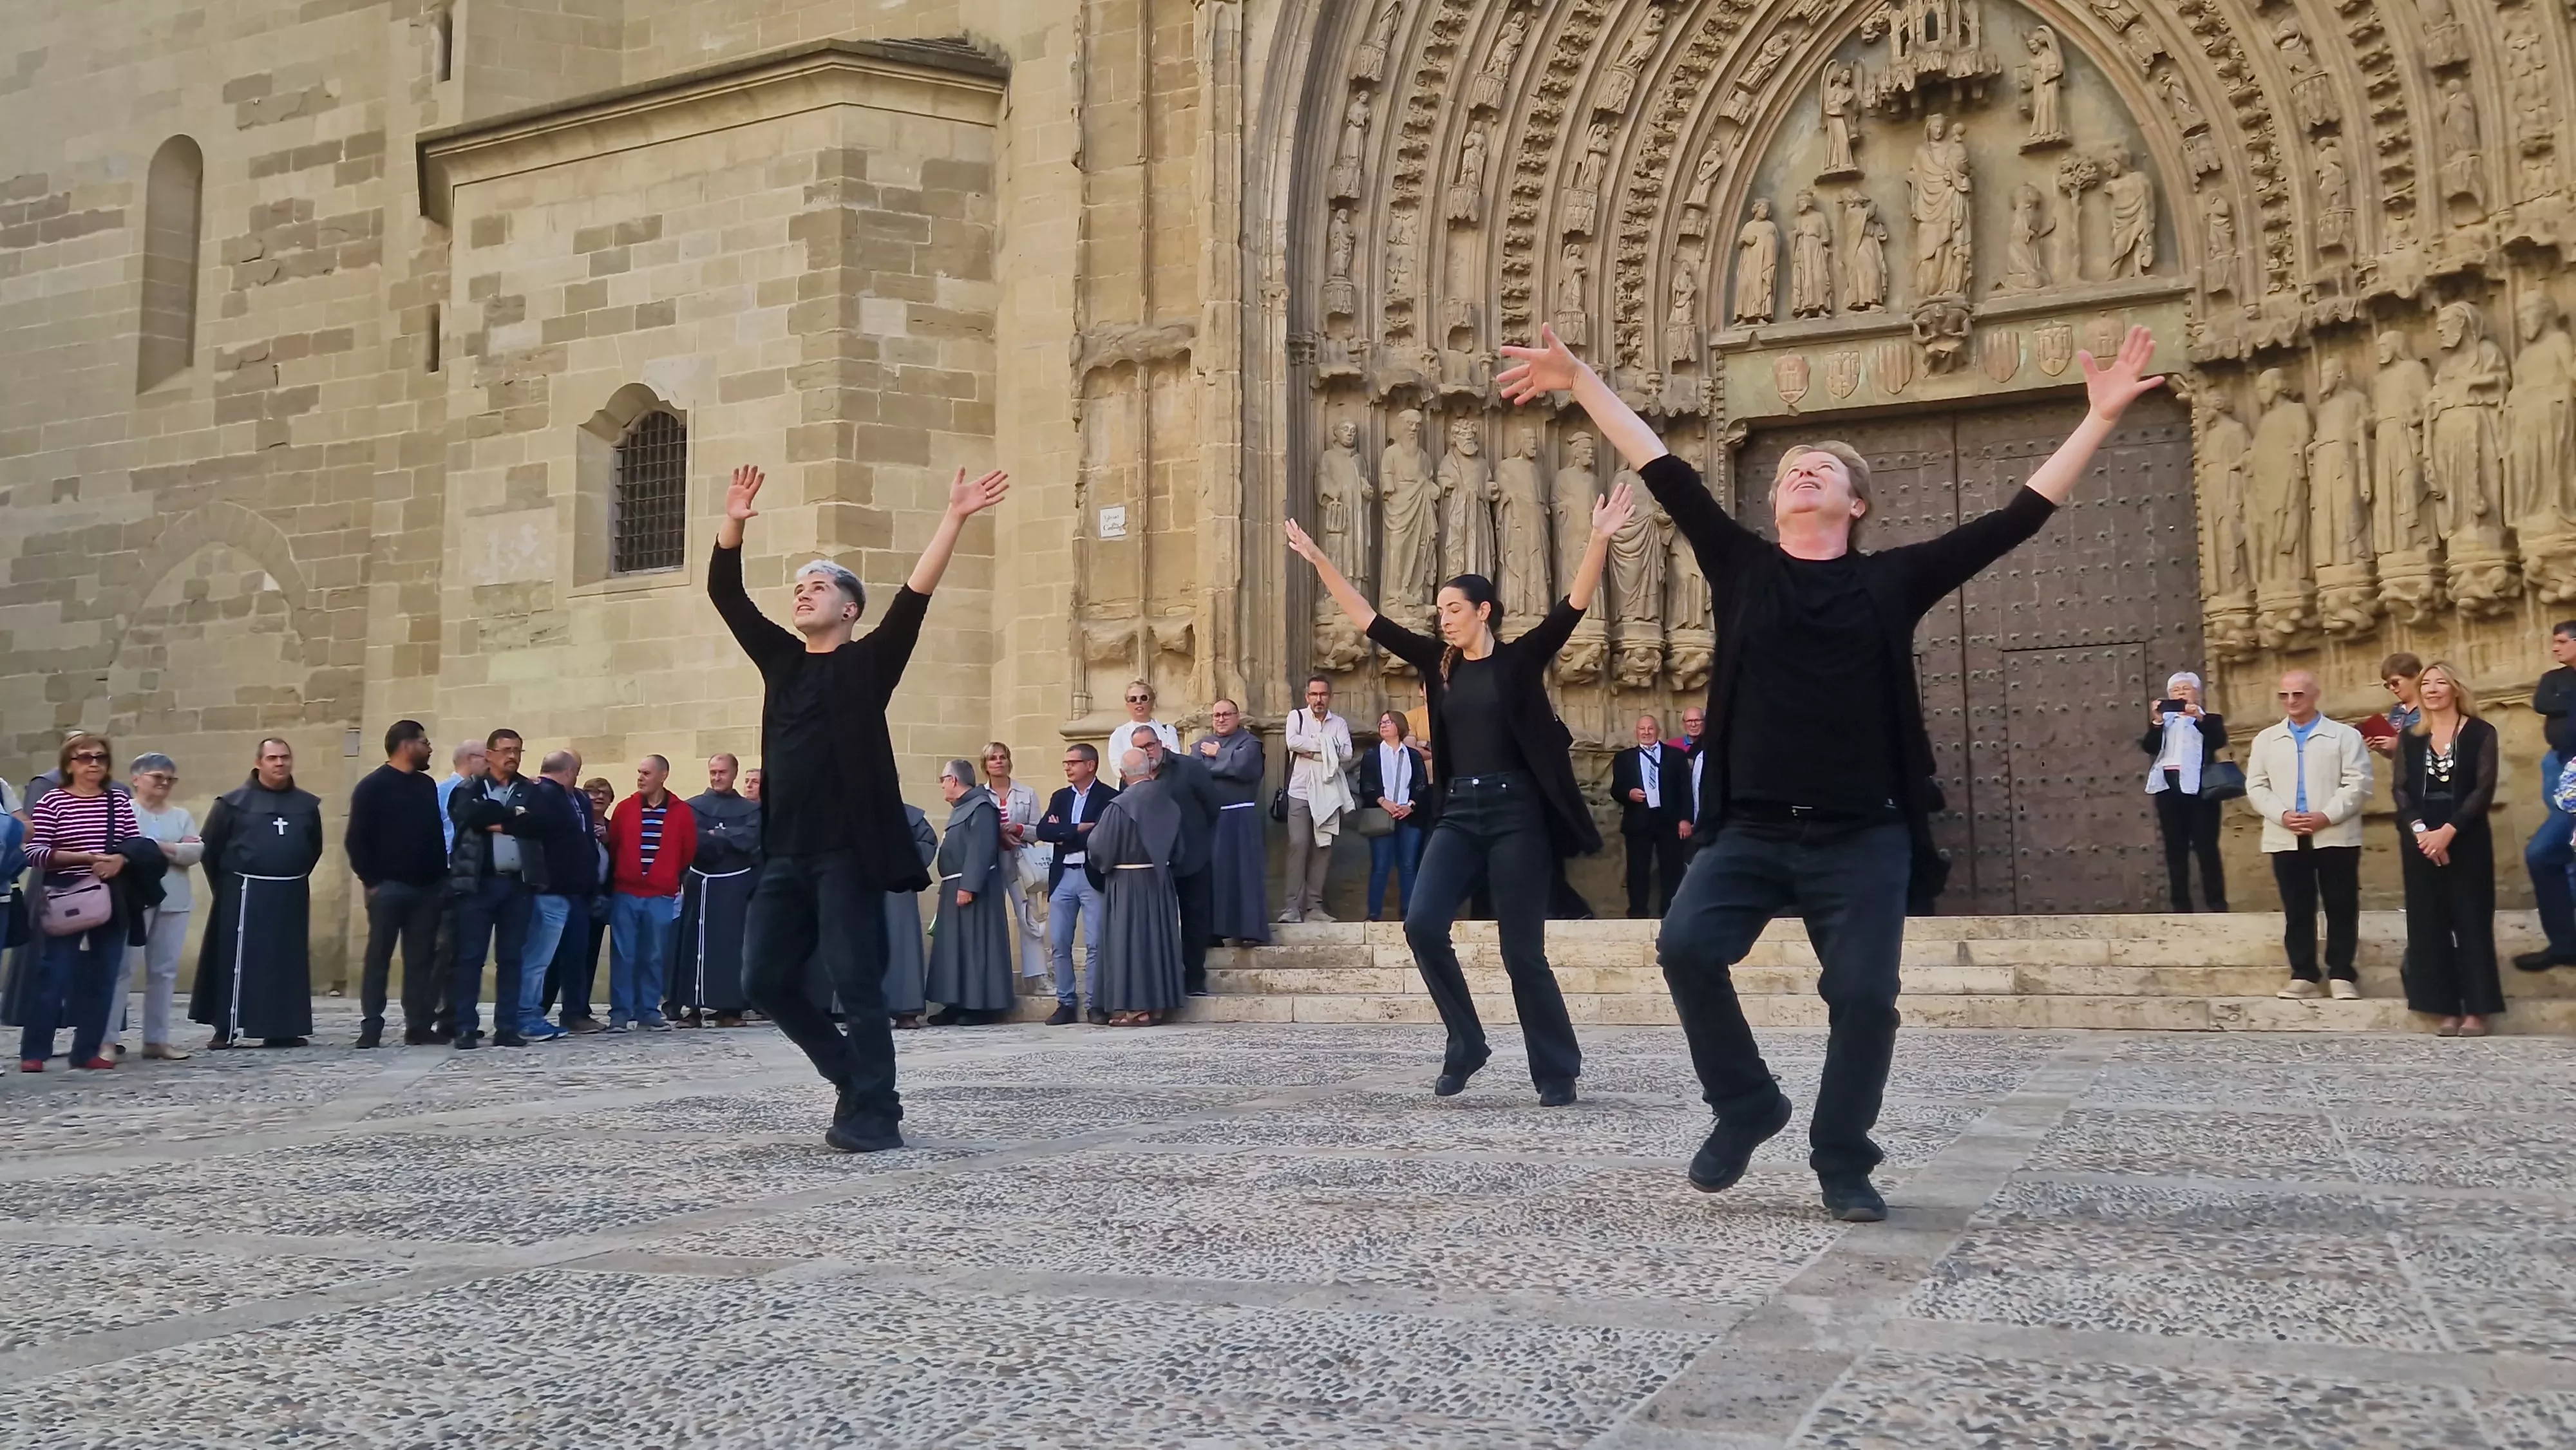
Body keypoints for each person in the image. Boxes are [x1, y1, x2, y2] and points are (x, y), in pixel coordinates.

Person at [1496, 318, 2170, 1222]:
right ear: (1774, 507)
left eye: (1823, 468)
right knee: (1687, 947)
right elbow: (1661, 465)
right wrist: (1580, 381)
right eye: (1787, 471)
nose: (1800, 472)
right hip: (1753, 829)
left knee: (1863, 997)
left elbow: (2016, 519)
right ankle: (1748, 1105)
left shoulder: (1892, 580)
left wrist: (2096, 418)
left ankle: (1842, 1158)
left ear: (1857, 504)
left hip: (1863, 833)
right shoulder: (1741, 567)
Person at [1289, 469, 1631, 1109]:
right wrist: (1320, 560)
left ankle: (1556, 1068)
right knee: (1421, 923)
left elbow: (1574, 605)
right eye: (1439, 611)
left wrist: (1598, 539)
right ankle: (1466, 1041)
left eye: (1453, 609)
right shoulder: (1434, 663)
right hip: (1460, 811)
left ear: (1483, 611)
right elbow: (1366, 617)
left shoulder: (1520, 659)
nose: (1443, 619)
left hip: (1517, 814)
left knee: (1520, 949)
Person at [710, 459, 1008, 1153]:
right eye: (799, 587)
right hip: (784, 851)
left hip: (846, 853)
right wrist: (733, 522)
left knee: (856, 980)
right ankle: (851, 1073)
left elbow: (914, 596)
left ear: (848, 607)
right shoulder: (780, 660)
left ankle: (875, 1112)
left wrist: (955, 516)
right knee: (763, 978)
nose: (803, 594)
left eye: (818, 586)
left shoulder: (868, 662)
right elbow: (725, 593)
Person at [2243, 670, 2372, 1000]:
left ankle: (2342, 972)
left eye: (2297, 695)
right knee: (2297, 906)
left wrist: (2326, 815)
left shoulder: (2344, 736)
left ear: (2314, 695)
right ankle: (2303, 973)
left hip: (2333, 832)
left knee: (2341, 903)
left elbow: (2358, 783)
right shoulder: (2266, 739)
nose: (2290, 702)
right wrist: (2282, 815)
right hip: (2286, 833)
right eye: (2284, 696)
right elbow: (2256, 785)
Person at [16, 734, 142, 1071]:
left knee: (104, 975)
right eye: (85, 757)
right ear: (69, 764)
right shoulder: (52, 802)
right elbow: (34, 853)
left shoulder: (117, 801)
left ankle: (87, 1050)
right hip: (65, 895)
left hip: (109, 894)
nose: (94, 764)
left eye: (100, 758)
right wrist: (85, 857)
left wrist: (120, 861)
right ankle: (35, 1051)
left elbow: (134, 844)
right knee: (53, 974)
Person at [190, 737, 324, 1050]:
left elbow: (313, 847)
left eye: (285, 758)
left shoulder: (306, 805)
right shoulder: (232, 803)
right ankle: (227, 1026)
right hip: (244, 892)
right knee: (236, 960)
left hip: (290, 890)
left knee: (285, 961)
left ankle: (283, 1028)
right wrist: (228, 888)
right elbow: (210, 849)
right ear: (258, 763)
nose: (280, 763)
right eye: (273, 758)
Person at [2396, 661, 2505, 1035]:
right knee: (2429, 923)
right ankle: (2443, 1006)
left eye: (2440, 682)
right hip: (2421, 837)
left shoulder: (2480, 733)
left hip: (2466, 833)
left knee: (2472, 920)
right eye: (2426, 683)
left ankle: (2478, 1009)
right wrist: (2423, 832)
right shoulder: (2411, 736)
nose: (2432, 689)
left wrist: (2450, 831)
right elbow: (2401, 789)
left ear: (2456, 688)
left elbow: (2483, 788)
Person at [343, 721, 447, 1047]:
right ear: (407, 745)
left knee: (421, 960)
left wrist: (439, 879)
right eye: (425, 742)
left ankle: (418, 1025)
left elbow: (433, 835)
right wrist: (371, 881)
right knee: (379, 957)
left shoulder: (427, 786)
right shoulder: (372, 787)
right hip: (388, 888)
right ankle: (372, 1024)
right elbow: (356, 839)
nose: (429, 749)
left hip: (427, 889)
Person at [446, 729, 538, 1049]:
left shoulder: (529, 790)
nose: (512, 756)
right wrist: (513, 817)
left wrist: (499, 819)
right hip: (478, 884)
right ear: (489, 754)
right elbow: (468, 816)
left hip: (517, 885)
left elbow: (539, 824)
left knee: (512, 958)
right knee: (470, 957)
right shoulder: (468, 788)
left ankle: (507, 1027)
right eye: (505, 750)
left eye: (517, 750)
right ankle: (465, 1027)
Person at [1086, 747, 1186, 1025]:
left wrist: (1103, 866)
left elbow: (1099, 847)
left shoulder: (1120, 805)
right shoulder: (1169, 802)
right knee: (1157, 942)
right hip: (1160, 882)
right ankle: (1157, 1006)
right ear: (1149, 769)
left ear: (1122, 774)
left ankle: (1135, 1009)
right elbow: (1179, 850)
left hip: (1127, 883)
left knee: (1130, 944)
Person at [111, 753, 201, 1060]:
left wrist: (154, 847)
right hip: (135, 899)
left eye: (169, 779)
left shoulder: (181, 815)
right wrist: (172, 849)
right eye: (157, 777)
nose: (164, 783)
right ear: (136, 779)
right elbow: (123, 848)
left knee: (164, 971)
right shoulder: (124, 811)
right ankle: (108, 1039)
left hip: (174, 899)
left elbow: (195, 851)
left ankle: (156, 1038)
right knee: (122, 969)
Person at [507, 750, 598, 1042]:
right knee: (537, 958)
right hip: (551, 889)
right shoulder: (542, 795)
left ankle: (535, 1014)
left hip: (568, 890)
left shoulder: (563, 797)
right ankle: (527, 1016)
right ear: (570, 771)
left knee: (545, 957)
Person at [1125, 724, 1224, 995]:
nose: (1146, 752)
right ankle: (1164, 982)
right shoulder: (1133, 776)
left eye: (1149, 746)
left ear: (1160, 744)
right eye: (1140, 748)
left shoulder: (1190, 768)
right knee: (1159, 924)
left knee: (1194, 920)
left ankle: (1194, 979)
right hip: (1153, 863)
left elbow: (1212, 806)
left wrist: (1195, 837)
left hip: (1192, 857)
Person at [606, 754, 696, 1032]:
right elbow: (615, 846)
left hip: (660, 895)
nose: (640, 778)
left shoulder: (681, 812)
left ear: (663, 776)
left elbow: (687, 851)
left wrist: (665, 876)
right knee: (623, 954)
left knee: (654, 955)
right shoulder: (625, 809)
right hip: (626, 893)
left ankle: (648, 1011)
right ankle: (620, 1013)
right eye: (639, 772)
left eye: (646, 773)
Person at [925, 758, 1016, 1024]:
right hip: (954, 885)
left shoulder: (982, 807)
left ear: (954, 780)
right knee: (954, 949)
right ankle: (955, 1002)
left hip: (972, 888)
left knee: (976, 946)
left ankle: (979, 1006)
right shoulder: (962, 808)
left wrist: (969, 886)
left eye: (943, 779)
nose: (941, 785)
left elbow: (980, 848)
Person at [674, 753, 761, 1027]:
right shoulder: (693, 807)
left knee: (730, 947)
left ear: (733, 773)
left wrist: (717, 835)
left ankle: (729, 1009)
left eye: (722, 772)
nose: (716, 777)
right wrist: (726, 839)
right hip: (701, 881)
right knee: (694, 945)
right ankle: (692, 1009)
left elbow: (750, 839)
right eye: (713, 772)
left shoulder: (751, 809)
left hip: (735, 884)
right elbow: (694, 840)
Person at [1036, 743, 1116, 1024]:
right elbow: (1044, 830)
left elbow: (1104, 836)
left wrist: (1064, 833)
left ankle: (1096, 1004)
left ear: (1090, 765)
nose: (1067, 767)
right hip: (1062, 876)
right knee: (1059, 941)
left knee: (1096, 942)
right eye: (1065, 763)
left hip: (1092, 874)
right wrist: (1075, 829)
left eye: (1073, 762)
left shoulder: (1109, 797)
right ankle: (1066, 1002)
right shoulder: (1060, 797)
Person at [2140, 671, 2230, 912]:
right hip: (2168, 787)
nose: (2180, 693)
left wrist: (2198, 717)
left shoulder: (2209, 719)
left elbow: (2218, 740)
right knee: (2175, 848)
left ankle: (2217, 903)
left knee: (2206, 847)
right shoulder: (2165, 724)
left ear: (2197, 694)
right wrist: (2157, 720)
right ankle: (2181, 905)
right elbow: (2148, 746)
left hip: (2200, 789)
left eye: (2186, 688)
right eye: (2175, 690)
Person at [1193, 701, 1271, 947]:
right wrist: (1226, 763)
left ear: (1238, 717)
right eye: (1216, 715)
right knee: (1213, 875)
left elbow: (1244, 769)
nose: (1221, 719)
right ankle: (1213, 931)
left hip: (1241, 817)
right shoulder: (1200, 744)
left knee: (1243, 874)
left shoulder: (1250, 743)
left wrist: (1218, 756)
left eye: (1227, 714)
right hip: (1211, 818)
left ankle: (1248, 930)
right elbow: (1197, 772)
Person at [2522, 624, 2576, 971]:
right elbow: (2543, 703)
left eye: (2561, 642)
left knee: (2546, 851)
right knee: (2548, 851)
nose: (2554, 648)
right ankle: (2564, 943)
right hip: (2562, 765)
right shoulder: (2554, 678)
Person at [1280, 677, 1355, 924]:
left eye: (1323, 694)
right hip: (1300, 791)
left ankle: (1314, 907)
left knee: (1323, 848)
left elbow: (1346, 754)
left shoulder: (1339, 723)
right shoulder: (1297, 717)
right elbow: (1292, 742)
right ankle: (1292, 907)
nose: (1318, 699)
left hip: (1328, 792)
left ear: (1330, 696)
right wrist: (1327, 748)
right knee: (1298, 845)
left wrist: (1311, 751)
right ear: (1307, 697)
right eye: (1314, 694)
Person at [549, 777, 617, 1032]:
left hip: (599, 900)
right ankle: (542, 1005)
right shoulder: (574, 824)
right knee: (557, 957)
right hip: (573, 896)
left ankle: (579, 1009)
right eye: (592, 792)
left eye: (604, 793)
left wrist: (610, 841)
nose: (598, 797)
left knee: (588, 956)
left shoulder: (613, 829)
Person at [980, 742, 1049, 985]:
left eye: (1002, 757)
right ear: (985, 765)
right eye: (992, 758)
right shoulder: (979, 795)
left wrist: (1018, 829)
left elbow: (1039, 831)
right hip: (989, 862)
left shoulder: (1026, 793)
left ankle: (1037, 975)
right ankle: (991, 978)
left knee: (1029, 916)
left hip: (1020, 860)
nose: (998, 762)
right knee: (987, 918)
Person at [1358, 710, 1432, 921]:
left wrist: (1410, 805)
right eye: (1381, 722)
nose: (1383, 726)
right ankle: (1374, 913)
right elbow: (1367, 785)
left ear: (1399, 726)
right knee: (1380, 865)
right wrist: (1385, 803)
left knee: (1408, 865)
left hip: (1409, 815)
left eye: (1388, 722)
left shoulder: (1413, 755)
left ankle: (1409, 912)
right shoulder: (1372, 755)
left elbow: (1420, 785)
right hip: (1383, 814)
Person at [1612, 712, 1687, 918]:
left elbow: (1685, 790)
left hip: (1669, 822)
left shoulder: (1676, 756)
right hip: (1638, 821)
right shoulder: (1624, 758)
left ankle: (1671, 912)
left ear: (1658, 731)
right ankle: (1637, 913)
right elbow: (1616, 790)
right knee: (1637, 870)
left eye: (1650, 729)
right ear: (1636, 732)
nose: (1646, 733)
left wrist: (1685, 819)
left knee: (1672, 869)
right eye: (1642, 729)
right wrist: (1629, 794)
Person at [883, 802, 937, 1028]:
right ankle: (860, 1012)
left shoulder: (910, 815)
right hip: (861, 886)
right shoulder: (851, 810)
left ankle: (906, 1011)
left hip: (898, 886)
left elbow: (927, 843)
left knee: (902, 946)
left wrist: (901, 854)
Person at [1107, 681, 1180, 787]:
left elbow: (1175, 761)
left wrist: (1136, 765)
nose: (1138, 702)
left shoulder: (1168, 731)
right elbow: (1118, 769)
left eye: (1144, 698)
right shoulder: (1119, 734)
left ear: (1152, 701)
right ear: (1127, 704)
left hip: (1165, 787)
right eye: (1133, 699)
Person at [1676, 706, 1709, 861]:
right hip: (1683, 814)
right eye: (1689, 721)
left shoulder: (1714, 746)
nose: (1693, 724)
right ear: (1684, 724)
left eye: (1697, 720)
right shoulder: (1673, 748)